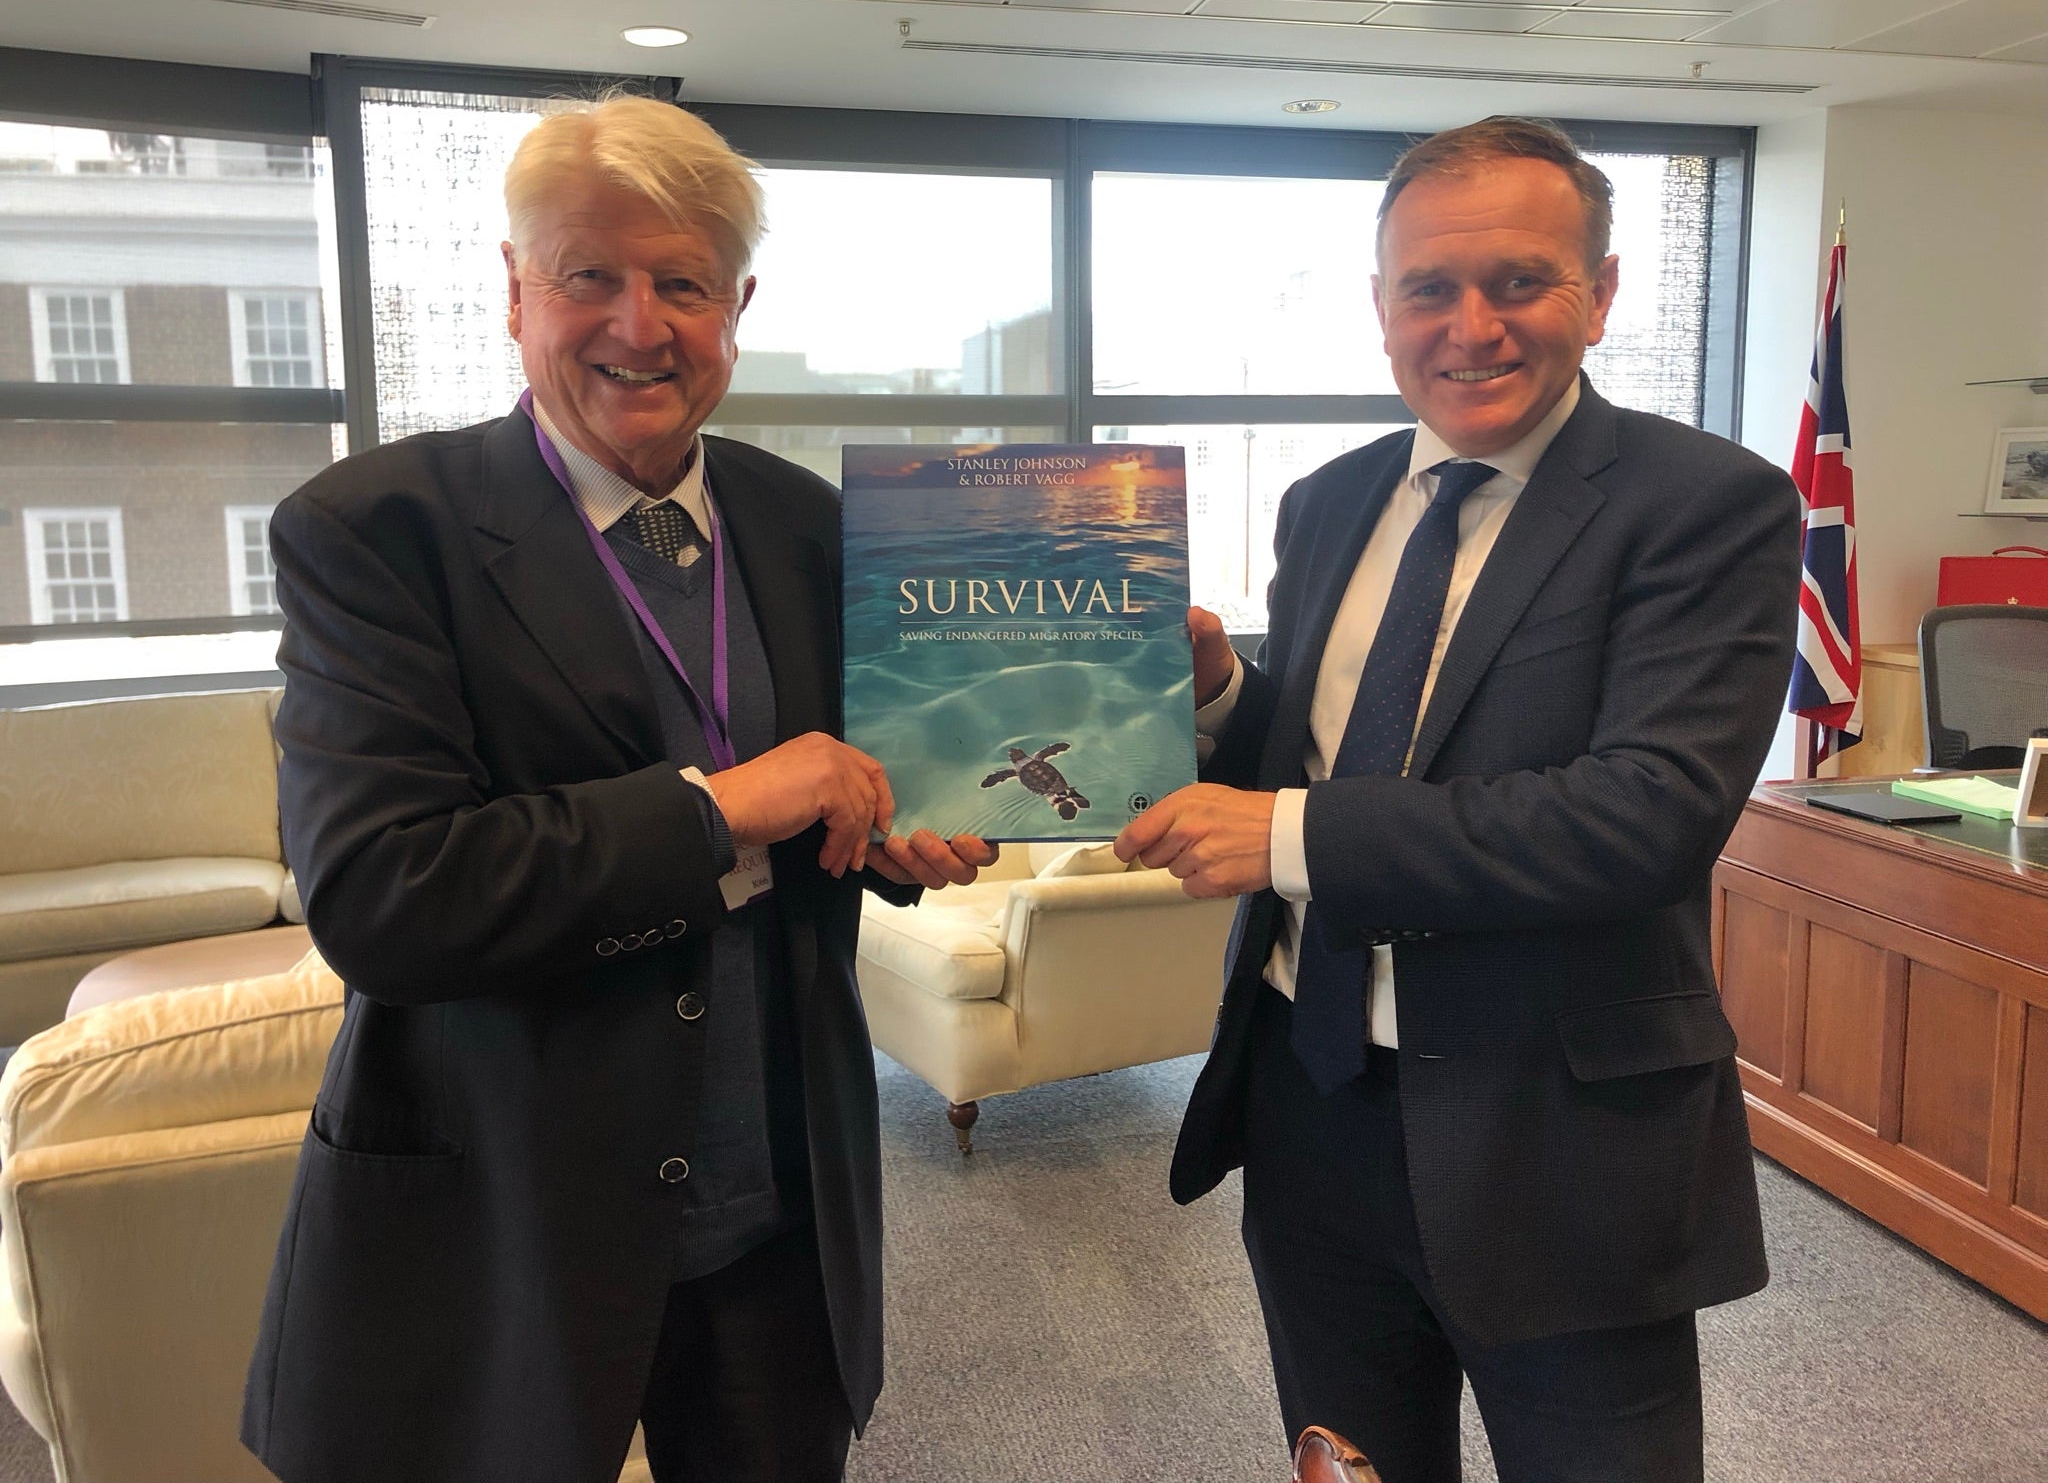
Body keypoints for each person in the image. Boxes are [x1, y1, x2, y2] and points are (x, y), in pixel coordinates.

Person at [241, 95, 993, 1483]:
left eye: (684, 284)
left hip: (775, 1210)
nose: (639, 325)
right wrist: (723, 809)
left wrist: (897, 831)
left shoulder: (810, 525)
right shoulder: (375, 534)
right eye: (591, 275)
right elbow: (383, 894)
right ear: (517, 289)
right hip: (503, 1223)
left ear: (737, 306)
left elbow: (848, 783)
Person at [1117, 117, 1801, 1482]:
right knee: (1350, 1464)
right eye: (1429, 286)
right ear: (1381, 309)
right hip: (1311, 1104)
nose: (1471, 325)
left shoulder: (1707, 506)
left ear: (1601, 294)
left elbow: (1644, 815)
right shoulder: (1327, 501)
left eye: (1521, 280)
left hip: (1556, 1135)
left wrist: (1288, 837)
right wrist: (1215, 701)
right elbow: (1316, 761)